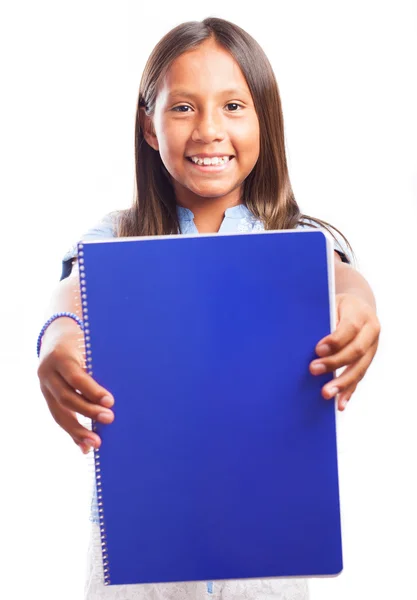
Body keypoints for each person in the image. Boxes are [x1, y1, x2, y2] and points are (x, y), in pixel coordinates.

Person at [37, 17, 381, 600]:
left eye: (233, 106)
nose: (209, 130)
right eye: (183, 108)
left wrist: (359, 310)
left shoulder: (294, 236)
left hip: (267, 541)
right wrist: (59, 335)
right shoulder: (119, 235)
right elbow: (73, 288)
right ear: (149, 126)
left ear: (263, 121)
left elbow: (344, 280)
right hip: (140, 537)